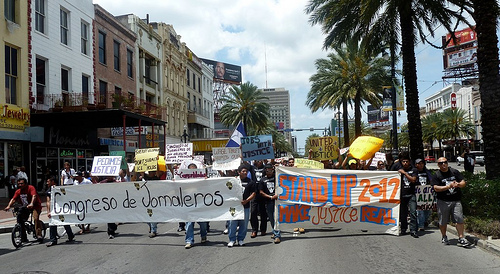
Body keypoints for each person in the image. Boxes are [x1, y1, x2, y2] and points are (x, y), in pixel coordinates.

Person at [432, 157, 471, 247]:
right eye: (441, 163)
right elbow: (435, 188)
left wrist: (458, 184)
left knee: (459, 218)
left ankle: (461, 238)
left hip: (456, 200)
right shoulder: (437, 175)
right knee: (443, 221)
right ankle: (444, 236)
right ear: (438, 165)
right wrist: (448, 187)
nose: (443, 164)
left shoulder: (454, 172)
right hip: (443, 201)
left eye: (445, 162)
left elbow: (463, 182)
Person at [4, 178, 43, 243]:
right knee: (20, 220)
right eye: (19, 184)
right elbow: (13, 199)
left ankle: (39, 235)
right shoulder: (18, 191)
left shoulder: (30, 188)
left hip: (35, 206)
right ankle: (23, 237)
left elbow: (34, 196)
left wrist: (32, 203)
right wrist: (8, 206)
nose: (20, 185)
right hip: (25, 207)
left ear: (25, 184)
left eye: (22, 183)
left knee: (36, 219)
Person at [228, 165, 256, 247]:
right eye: (243, 171)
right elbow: (226, 187)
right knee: (232, 223)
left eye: (246, 171)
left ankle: (240, 239)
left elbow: (253, 193)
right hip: (233, 206)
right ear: (239, 172)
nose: (245, 173)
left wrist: (247, 200)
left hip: (245, 206)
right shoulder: (233, 181)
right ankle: (232, 239)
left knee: (244, 223)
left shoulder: (250, 182)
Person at [46, 177, 75, 246]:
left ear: (53, 181)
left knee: (64, 221)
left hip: (61, 209)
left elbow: (65, 196)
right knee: (52, 223)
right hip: (53, 210)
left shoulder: (60, 189)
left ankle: (70, 235)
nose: (47, 183)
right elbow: (48, 201)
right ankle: (53, 240)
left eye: (48, 181)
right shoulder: (48, 191)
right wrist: (48, 211)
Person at [259, 163, 281, 243]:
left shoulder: (277, 178)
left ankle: (277, 235)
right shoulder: (262, 180)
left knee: (276, 218)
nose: (270, 171)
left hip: (277, 201)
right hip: (269, 201)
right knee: (272, 219)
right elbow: (261, 192)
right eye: (268, 169)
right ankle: (274, 231)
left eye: (271, 169)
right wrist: (271, 197)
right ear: (265, 170)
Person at [398, 156, 419, 238]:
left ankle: (413, 230)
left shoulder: (414, 170)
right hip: (402, 195)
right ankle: (403, 228)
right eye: (403, 162)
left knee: (413, 212)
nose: (405, 163)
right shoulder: (399, 171)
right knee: (403, 214)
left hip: (411, 194)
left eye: (407, 161)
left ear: (409, 162)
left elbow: (413, 180)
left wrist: (405, 173)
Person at [250, 160, 266, 238]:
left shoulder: (265, 167)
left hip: (263, 192)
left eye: (260, 159)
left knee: (263, 212)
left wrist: (271, 149)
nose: (259, 161)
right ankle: (254, 230)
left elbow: (271, 162)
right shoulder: (252, 168)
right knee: (253, 212)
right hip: (254, 193)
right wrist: (242, 150)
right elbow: (245, 161)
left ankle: (263, 229)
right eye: (257, 160)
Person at [415, 159, 432, 231]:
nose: (420, 165)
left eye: (422, 163)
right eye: (419, 164)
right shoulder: (414, 172)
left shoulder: (427, 172)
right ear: (416, 165)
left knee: (427, 209)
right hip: (418, 194)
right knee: (420, 210)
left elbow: (431, 180)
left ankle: (424, 221)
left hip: (426, 194)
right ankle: (421, 225)